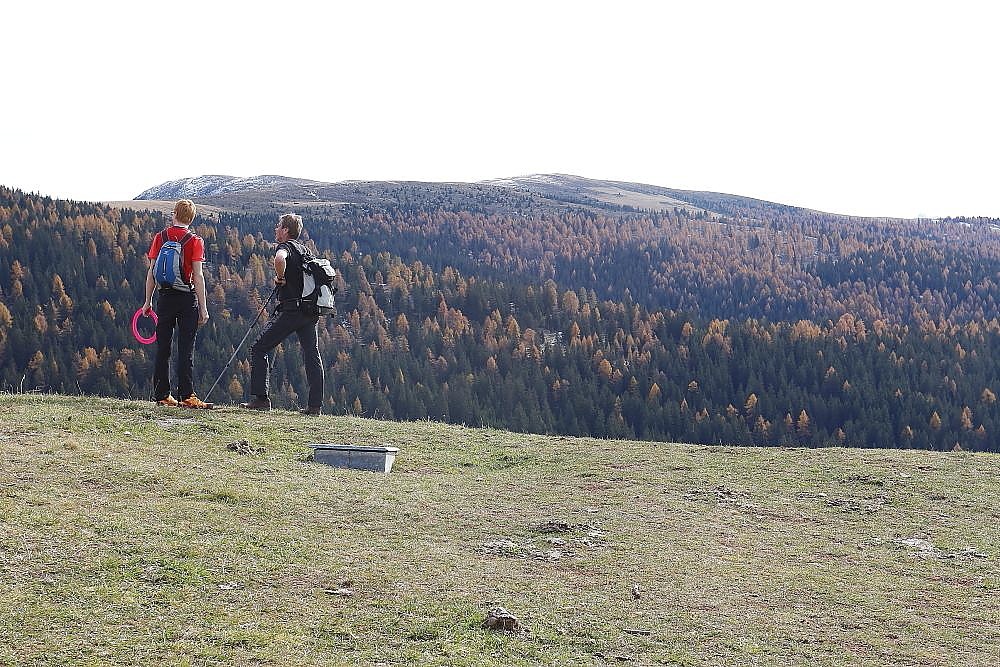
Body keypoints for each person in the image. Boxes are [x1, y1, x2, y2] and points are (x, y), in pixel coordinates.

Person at [241, 213, 324, 414]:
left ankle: (261, 399)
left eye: (278, 226)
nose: (276, 229)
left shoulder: (285, 247)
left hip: (291, 310)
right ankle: (315, 406)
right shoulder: (306, 250)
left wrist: (280, 278)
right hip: (309, 311)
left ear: (286, 230)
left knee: (259, 348)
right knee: (312, 355)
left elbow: (279, 259)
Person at [141, 199, 213, 409]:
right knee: (186, 347)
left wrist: (147, 301)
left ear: (174, 214)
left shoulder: (160, 237)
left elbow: (152, 272)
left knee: (163, 347)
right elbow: (198, 276)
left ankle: (162, 395)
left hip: (164, 297)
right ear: (191, 218)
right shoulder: (195, 240)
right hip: (186, 298)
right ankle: (187, 396)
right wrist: (203, 307)